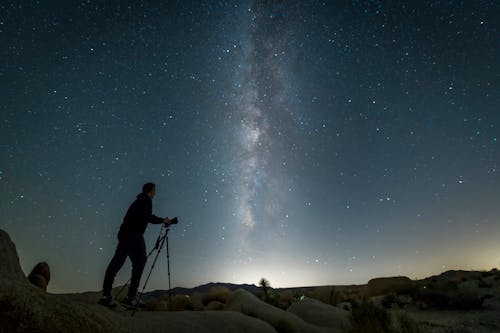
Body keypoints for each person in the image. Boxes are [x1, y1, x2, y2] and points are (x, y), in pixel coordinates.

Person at [98, 182, 172, 307]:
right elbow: (148, 217)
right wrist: (162, 220)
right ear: (151, 190)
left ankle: (106, 295)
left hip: (126, 234)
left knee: (117, 262)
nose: (155, 193)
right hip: (134, 235)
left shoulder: (138, 201)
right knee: (138, 261)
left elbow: (143, 217)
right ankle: (130, 297)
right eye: (154, 190)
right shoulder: (146, 200)